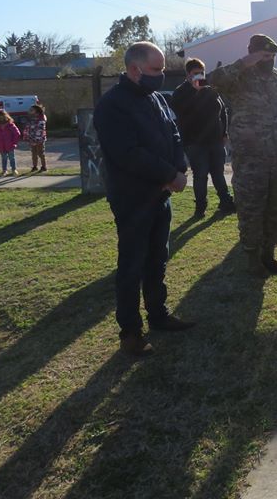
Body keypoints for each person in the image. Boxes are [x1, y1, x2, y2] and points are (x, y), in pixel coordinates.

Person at [94, 41, 193, 356]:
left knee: (157, 259)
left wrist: (179, 168)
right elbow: (128, 153)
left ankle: (158, 314)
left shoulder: (157, 99)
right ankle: (130, 333)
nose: (161, 74)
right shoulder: (112, 105)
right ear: (134, 69)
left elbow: (174, 134)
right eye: (156, 69)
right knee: (132, 265)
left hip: (160, 195)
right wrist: (169, 175)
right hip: (133, 198)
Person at [210, 34, 277, 275]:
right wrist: (243, 63)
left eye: (272, 56)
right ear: (252, 54)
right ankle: (252, 257)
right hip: (249, 157)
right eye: (264, 56)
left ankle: (268, 254)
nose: (269, 60)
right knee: (251, 208)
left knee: (276, 209)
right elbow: (212, 81)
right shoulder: (239, 77)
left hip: (276, 156)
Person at [171, 57, 236, 219]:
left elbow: (222, 111)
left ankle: (226, 202)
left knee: (218, 173)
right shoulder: (181, 92)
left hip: (215, 140)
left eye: (202, 72)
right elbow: (181, 111)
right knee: (200, 175)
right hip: (194, 142)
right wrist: (196, 92)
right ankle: (200, 207)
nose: (199, 76)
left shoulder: (210, 89)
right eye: (196, 73)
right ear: (188, 74)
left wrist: (224, 133)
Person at [0, 108, 21, 176]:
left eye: (2, 117)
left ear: (6, 116)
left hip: (10, 145)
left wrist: (14, 143)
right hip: (1, 146)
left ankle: (14, 169)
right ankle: (4, 170)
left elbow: (17, 134)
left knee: (12, 158)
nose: (1, 119)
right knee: (4, 158)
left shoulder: (11, 125)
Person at [25, 104, 48, 172]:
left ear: (37, 111)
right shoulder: (30, 119)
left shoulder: (41, 119)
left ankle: (44, 166)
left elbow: (40, 129)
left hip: (39, 139)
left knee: (40, 153)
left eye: (32, 110)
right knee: (34, 153)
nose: (30, 111)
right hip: (32, 139)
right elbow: (28, 128)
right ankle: (35, 166)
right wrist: (27, 135)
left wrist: (37, 138)